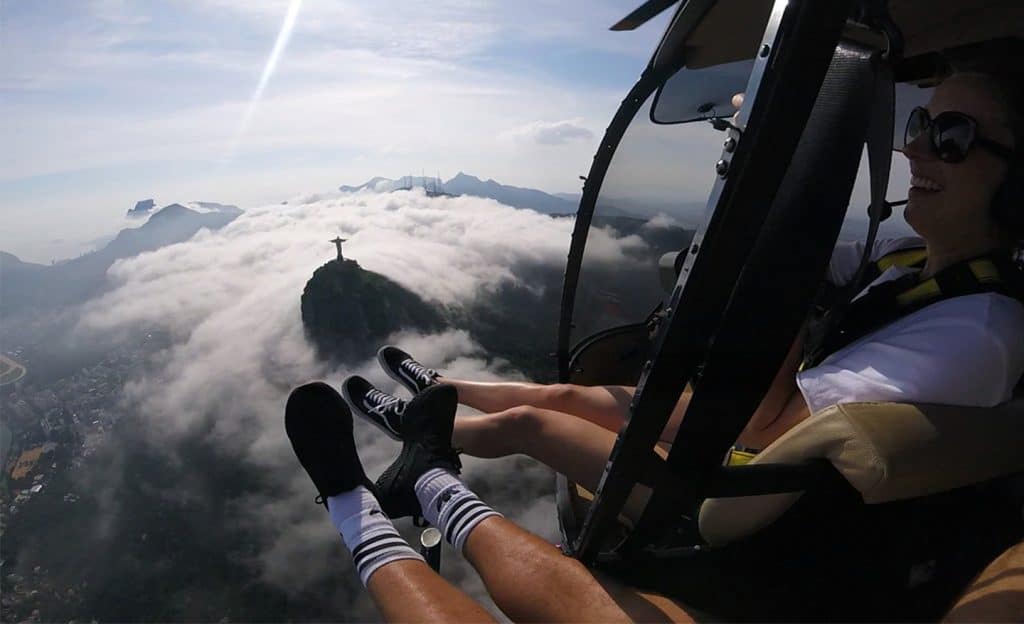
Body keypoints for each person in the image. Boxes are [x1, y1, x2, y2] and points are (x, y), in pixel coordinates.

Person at [287, 61, 1024, 622]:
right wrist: (758, 173)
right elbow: (790, 247)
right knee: (568, 393)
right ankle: (439, 393)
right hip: (765, 446)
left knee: (533, 421)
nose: (917, 151)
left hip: (754, 489)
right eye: (920, 124)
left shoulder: (978, 330)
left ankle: (420, 452)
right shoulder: (906, 258)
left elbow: (766, 425)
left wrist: (781, 202)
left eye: (951, 137)